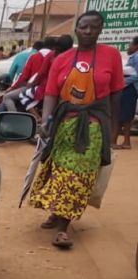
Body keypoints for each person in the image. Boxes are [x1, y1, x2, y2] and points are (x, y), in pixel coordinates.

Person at [29, 11, 124, 249]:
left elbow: (116, 94)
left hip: (93, 125)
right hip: (64, 124)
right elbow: (51, 92)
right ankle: (58, 213)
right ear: (76, 29)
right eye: (83, 27)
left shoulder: (111, 56)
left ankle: (63, 228)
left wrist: (112, 130)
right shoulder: (62, 59)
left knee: (78, 175)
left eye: (93, 27)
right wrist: (46, 122)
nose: (88, 31)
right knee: (60, 170)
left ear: (100, 29)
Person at [113, 36, 138, 149]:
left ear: (136, 46)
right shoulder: (133, 57)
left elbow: (136, 76)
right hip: (129, 89)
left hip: (130, 89)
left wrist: (122, 82)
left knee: (122, 115)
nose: (128, 47)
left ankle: (116, 141)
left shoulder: (136, 57)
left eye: (130, 44)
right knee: (125, 116)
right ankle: (125, 141)